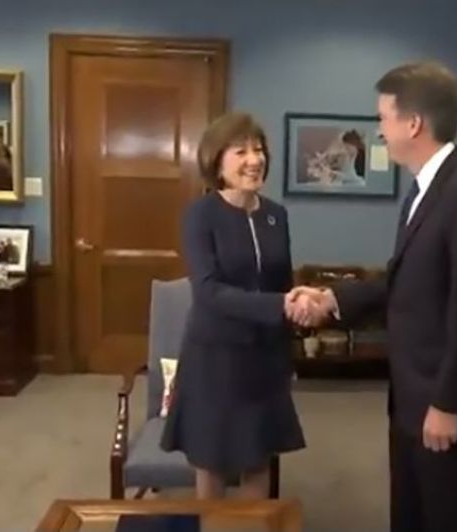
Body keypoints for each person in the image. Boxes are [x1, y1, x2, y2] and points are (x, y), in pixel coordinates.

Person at [289, 62, 457, 532]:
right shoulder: (425, 189)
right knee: (409, 517)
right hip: (414, 391)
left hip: (449, 401)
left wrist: (448, 404)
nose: (379, 130)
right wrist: (332, 299)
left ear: (412, 123)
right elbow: (405, 279)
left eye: (383, 118)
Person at [160, 112, 309, 500]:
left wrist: (289, 348)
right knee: (212, 462)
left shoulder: (277, 215)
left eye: (258, 149)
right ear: (216, 161)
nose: (254, 159)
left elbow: (283, 283)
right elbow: (209, 291)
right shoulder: (200, 215)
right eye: (240, 150)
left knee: (258, 458)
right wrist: (280, 304)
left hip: (265, 358)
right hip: (216, 357)